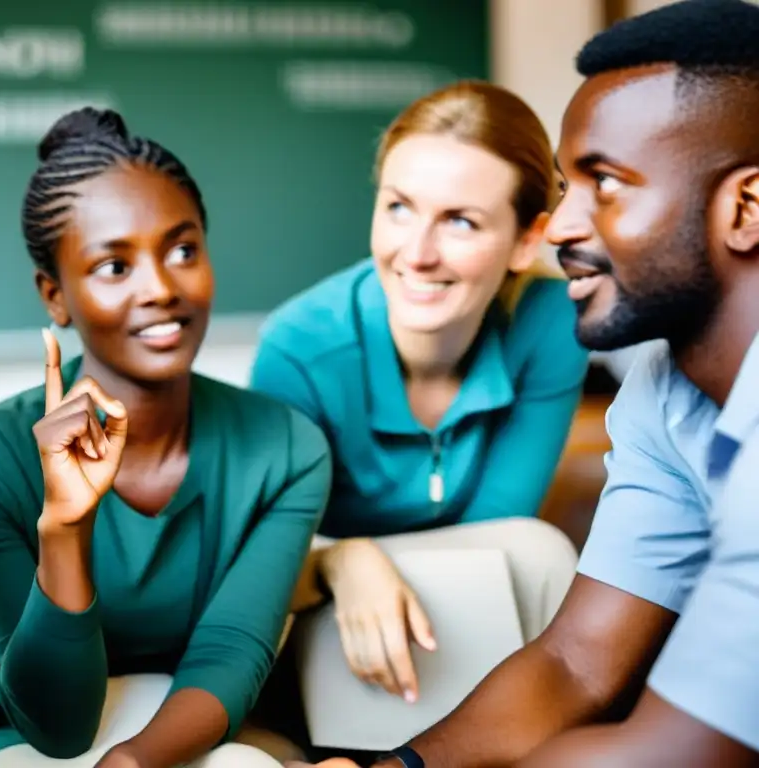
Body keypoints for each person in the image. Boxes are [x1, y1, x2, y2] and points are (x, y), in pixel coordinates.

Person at [297, 1, 759, 765]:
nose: (564, 227)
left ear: (745, 207)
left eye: (604, 185)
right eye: (564, 185)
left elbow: (687, 748)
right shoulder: (659, 389)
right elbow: (577, 663)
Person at [0, 107, 332, 768]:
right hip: (19, 741)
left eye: (182, 250)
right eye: (115, 267)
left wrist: (137, 761)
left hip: (180, 729)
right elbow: (56, 725)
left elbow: (230, 654)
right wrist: (65, 526)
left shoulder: (286, 449)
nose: (162, 289)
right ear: (55, 296)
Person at [249, 80, 588, 706]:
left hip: (468, 606)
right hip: (324, 630)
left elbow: (503, 533)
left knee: (536, 552)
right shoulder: (298, 347)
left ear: (527, 240)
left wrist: (352, 552)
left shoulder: (552, 326)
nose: (418, 253)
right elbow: (264, 568)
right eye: (399, 207)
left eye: (460, 220)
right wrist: (337, 563)